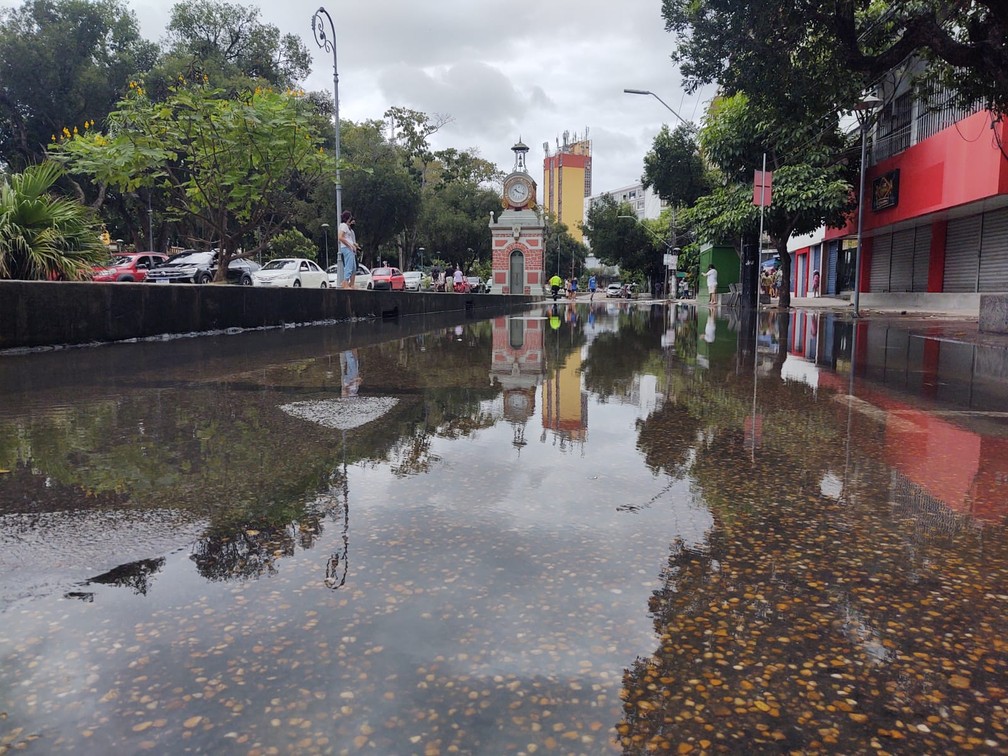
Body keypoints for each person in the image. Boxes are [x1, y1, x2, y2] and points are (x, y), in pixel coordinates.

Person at [338, 210, 359, 290]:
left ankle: (351, 284)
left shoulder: (346, 227)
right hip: (347, 249)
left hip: (350, 249)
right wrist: (350, 245)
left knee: (353, 267)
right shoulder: (343, 225)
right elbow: (340, 237)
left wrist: (353, 246)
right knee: (349, 266)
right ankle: (345, 282)